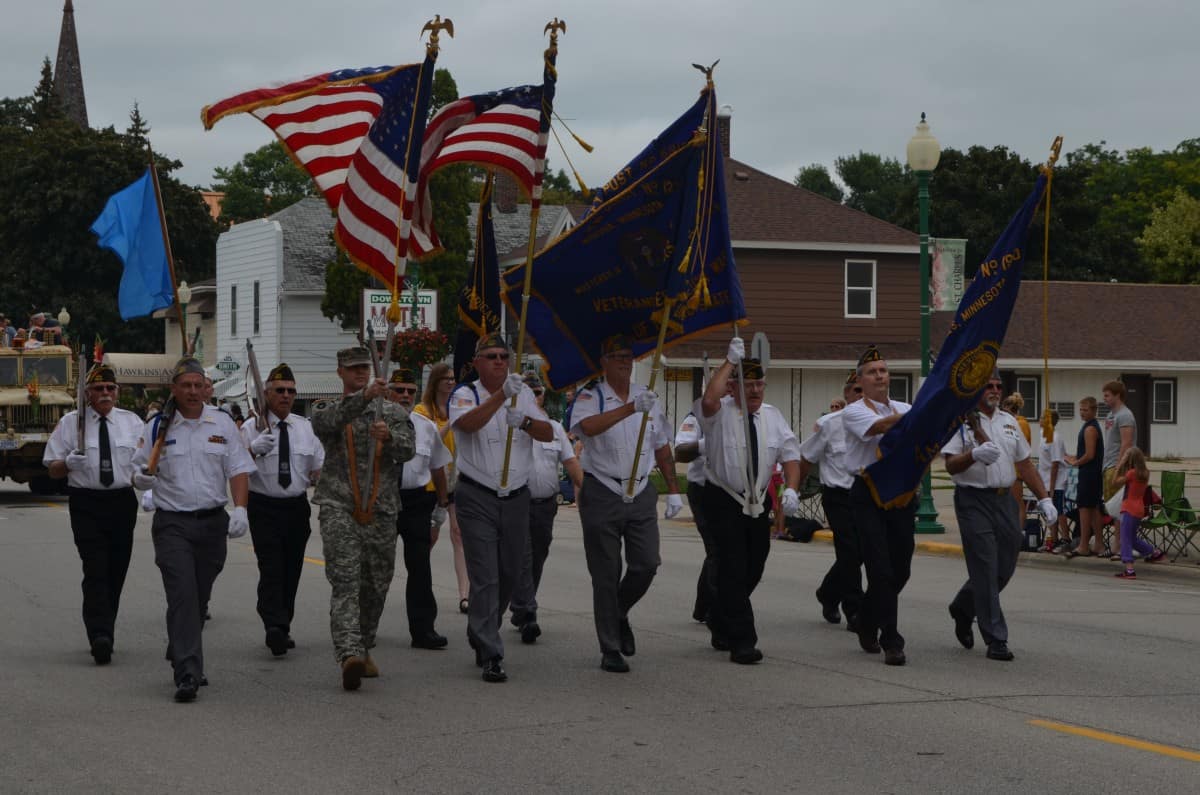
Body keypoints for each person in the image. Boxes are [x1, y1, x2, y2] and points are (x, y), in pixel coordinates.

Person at [131, 356, 255, 702]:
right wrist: (141, 479)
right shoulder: (158, 426)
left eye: (198, 385)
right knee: (182, 593)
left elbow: (238, 468)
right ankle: (188, 672)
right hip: (173, 522)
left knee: (199, 596)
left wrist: (241, 509)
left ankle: (180, 641)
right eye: (185, 385)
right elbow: (139, 469)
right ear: (174, 389)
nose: (192, 391)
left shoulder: (223, 423)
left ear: (206, 388)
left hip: (212, 522)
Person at [570, 335, 683, 674]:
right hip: (602, 489)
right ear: (603, 361)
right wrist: (630, 409)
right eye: (616, 356)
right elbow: (586, 427)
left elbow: (661, 446)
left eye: (628, 356)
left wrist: (674, 489)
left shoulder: (647, 396)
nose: (624, 361)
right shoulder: (591, 395)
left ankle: (618, 610)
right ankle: (610, 648)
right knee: (605, 574)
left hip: (641, 490)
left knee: (646, 563)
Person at [449, 333, 553, 683]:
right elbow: (467, 424)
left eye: (503, 356)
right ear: (477, 361)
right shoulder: (464, 394)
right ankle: (492, 653)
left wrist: (523, 420)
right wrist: (501, 397)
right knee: (485, 575)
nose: (498, 361)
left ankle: (483, 628)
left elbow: (548, 433)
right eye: (491, 356)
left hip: (516, 496)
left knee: (511, 571)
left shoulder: (522, 393)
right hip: (477, 495)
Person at [310, 347, 415, 691]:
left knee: (376, 583)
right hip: (339, 506)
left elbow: (408, 450)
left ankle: (364, 644)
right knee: (346, 579)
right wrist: (363, 398)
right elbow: (327, 423)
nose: (358, 372)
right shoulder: (328, 408)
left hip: (382, 509)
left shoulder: (392, 413)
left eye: (363, 368)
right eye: (352, 368)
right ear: (340, 372)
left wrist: (389, 438)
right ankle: (349, 652)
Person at [941, 371, 1057, 661]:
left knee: (1003, 567)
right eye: (988, 386)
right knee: (984, 566)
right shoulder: (961, 422)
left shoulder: (1009, 422)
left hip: (1005, 500)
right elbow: (951, 466)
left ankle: (964, 606)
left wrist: (1044, 497)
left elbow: (1025, 465)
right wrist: (974, 455)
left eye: (998, 386)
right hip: (973, 501)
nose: (994, 390)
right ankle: (996, 638)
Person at [697, 342, 801, 664]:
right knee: (732, 566)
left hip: (757, 504)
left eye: (759, 384)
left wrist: (792, 489)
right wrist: (729, 361)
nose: (755, 390)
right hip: (724, 499)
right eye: (748, 383)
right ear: (733, 386)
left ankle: (718, 614)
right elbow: (709, 399)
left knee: (754, 565)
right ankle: (743, 641)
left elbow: (791, 453)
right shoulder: (718, 413)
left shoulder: (772, 416)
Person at [43, 363, 144, 665]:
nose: (104, 393)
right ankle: (100, 633)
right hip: (86, 502)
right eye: (98, 389)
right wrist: (67, 464)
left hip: (122, 501)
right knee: (96, 567)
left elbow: (146, 465)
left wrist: (149, 484)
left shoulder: (132, 423)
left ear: (117, 392)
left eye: (109, 388)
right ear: (87, 394)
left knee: (116, 569)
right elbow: (52, 468)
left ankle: (105, 624)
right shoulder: (70, 423)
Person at [240, 363, 324, 657]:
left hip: (295, 506)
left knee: (292, 568)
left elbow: (317, 470)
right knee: (272, 566)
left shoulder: (305, 428)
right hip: (264, 505)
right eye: (280, 390)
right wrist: (252, 450)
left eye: (290, 391)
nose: (286, 396)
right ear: (266, 393)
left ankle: (283, 622)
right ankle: (273, 624)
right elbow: (235, 468)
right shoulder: (251, 428)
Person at [841, 345, 916, 666]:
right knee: (880, 569)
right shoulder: (854, 410)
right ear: (861, 380)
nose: (880, 376)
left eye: (883, 370)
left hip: (899, 493)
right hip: (867, 492)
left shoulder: (905, 406)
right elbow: (881, 427)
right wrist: (923, 414)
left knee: (901, 569)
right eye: (872, 372)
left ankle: (867, 619)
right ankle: (892, 640)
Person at [508, 371, 582, 643]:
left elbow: (570, 461)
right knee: (523, 557)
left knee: (537, 556)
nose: (534, 397)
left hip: (546, 504)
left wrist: (585, 488)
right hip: (517, 501)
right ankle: (528, 613)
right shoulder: (508, 424)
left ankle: (521, 605)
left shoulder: (554, 427)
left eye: (537, 392)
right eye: (528, 392)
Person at [387, 367, 451, 650]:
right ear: (388, 391)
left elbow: (438, 468)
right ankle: (364, 626)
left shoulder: (425, 427)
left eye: (410, 391)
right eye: (399, 390)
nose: (405, 396)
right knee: (376, 568)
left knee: (420, 569)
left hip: (416, 503)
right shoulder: (374, 424)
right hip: (383, 501)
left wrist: (442, 505)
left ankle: (423, 629)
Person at [798, 371, 865, 631]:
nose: (860, 395)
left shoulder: (880, 421)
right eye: (856, 390)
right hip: (838, 496)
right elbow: (806, 457)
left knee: (861, 552)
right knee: (849, 551)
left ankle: (828, 592)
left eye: (864, 390)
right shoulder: (829, 424)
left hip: (867, 497)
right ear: (847, 394)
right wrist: (793, 491)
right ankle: (855, 610)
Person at [415, 362, 470, 615]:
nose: (450, 382)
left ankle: (464, 595)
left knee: (459, 534)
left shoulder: (459, 406)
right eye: (446, 378)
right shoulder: (422, 410)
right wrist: (450, 423)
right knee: (431, 537)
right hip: (432, 484)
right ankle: (419, 581)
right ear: (435, 382)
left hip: (457, 480)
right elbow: (431, 439)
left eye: (453, 378)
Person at [674, 401, 716, 623]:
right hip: (703, 490)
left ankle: (704, 606)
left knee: (728, 551)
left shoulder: (748, 417)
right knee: (716, 549)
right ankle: (712, 608)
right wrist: (705, 443)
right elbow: (680, 452)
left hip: (735, 493)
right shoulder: (697, 417)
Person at [1110, 447, 1166, 579]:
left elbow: (1114, 482)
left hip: (1128, 508)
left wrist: (1119, 465)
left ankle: (1129, 570)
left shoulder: (1131, 473)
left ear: (1130, 460)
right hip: (1139, 509)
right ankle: (1154, 553)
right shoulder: (1145, 473)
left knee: (1125, 539)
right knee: (1133, 538)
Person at [1064, 397, 1105, 558]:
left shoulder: (1090, 429)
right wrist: (1073, 456)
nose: (1082, 413)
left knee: (1084, 508)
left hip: (1088, 473)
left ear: (1094, 411)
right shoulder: (1090, 427)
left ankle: (1083, 545)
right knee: (1094, 508)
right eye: (1080, 409)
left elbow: (1089, 454)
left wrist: (1075, 462)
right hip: (1092, 473)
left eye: (1085, 410)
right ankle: (1099, 544)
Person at [1037, 409, 1071, 553]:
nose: (1040, 419)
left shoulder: (1055, 438)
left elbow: (1056, 464)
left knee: (1059, 510)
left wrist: (1051, 488)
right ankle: (1053, 539)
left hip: (1056, 482)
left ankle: (1065, 539)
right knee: (1049, 512)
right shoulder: (1043, 434)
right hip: (1044, 480)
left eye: (1043, 418)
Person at [1101, 381, 1137, 501]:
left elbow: (1126, 443)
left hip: (1118, 468)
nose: (1104, 398)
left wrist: (1118, 468)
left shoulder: (1125, 415)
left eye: (1107, 395)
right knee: (1109, 506)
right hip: (1108, 466)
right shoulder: (1110, 415)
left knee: (1117, 507)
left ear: (1117, 395)